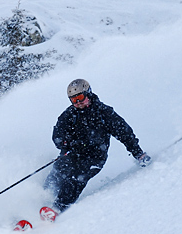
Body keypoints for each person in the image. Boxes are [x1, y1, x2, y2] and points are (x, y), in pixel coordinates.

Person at [42, 79, 151, 215]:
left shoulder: (103, 113)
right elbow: (57, 135)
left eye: (80, 98)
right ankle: (41, 203)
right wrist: (66, 144)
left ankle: (58, 208)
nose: (78, 103)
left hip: (94, 157)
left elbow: (124, 133)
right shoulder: (69, 114)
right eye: (73, 100)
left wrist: (138, 153)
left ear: (89, 93)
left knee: (77, 177)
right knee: (57, 173)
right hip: (73, 154)